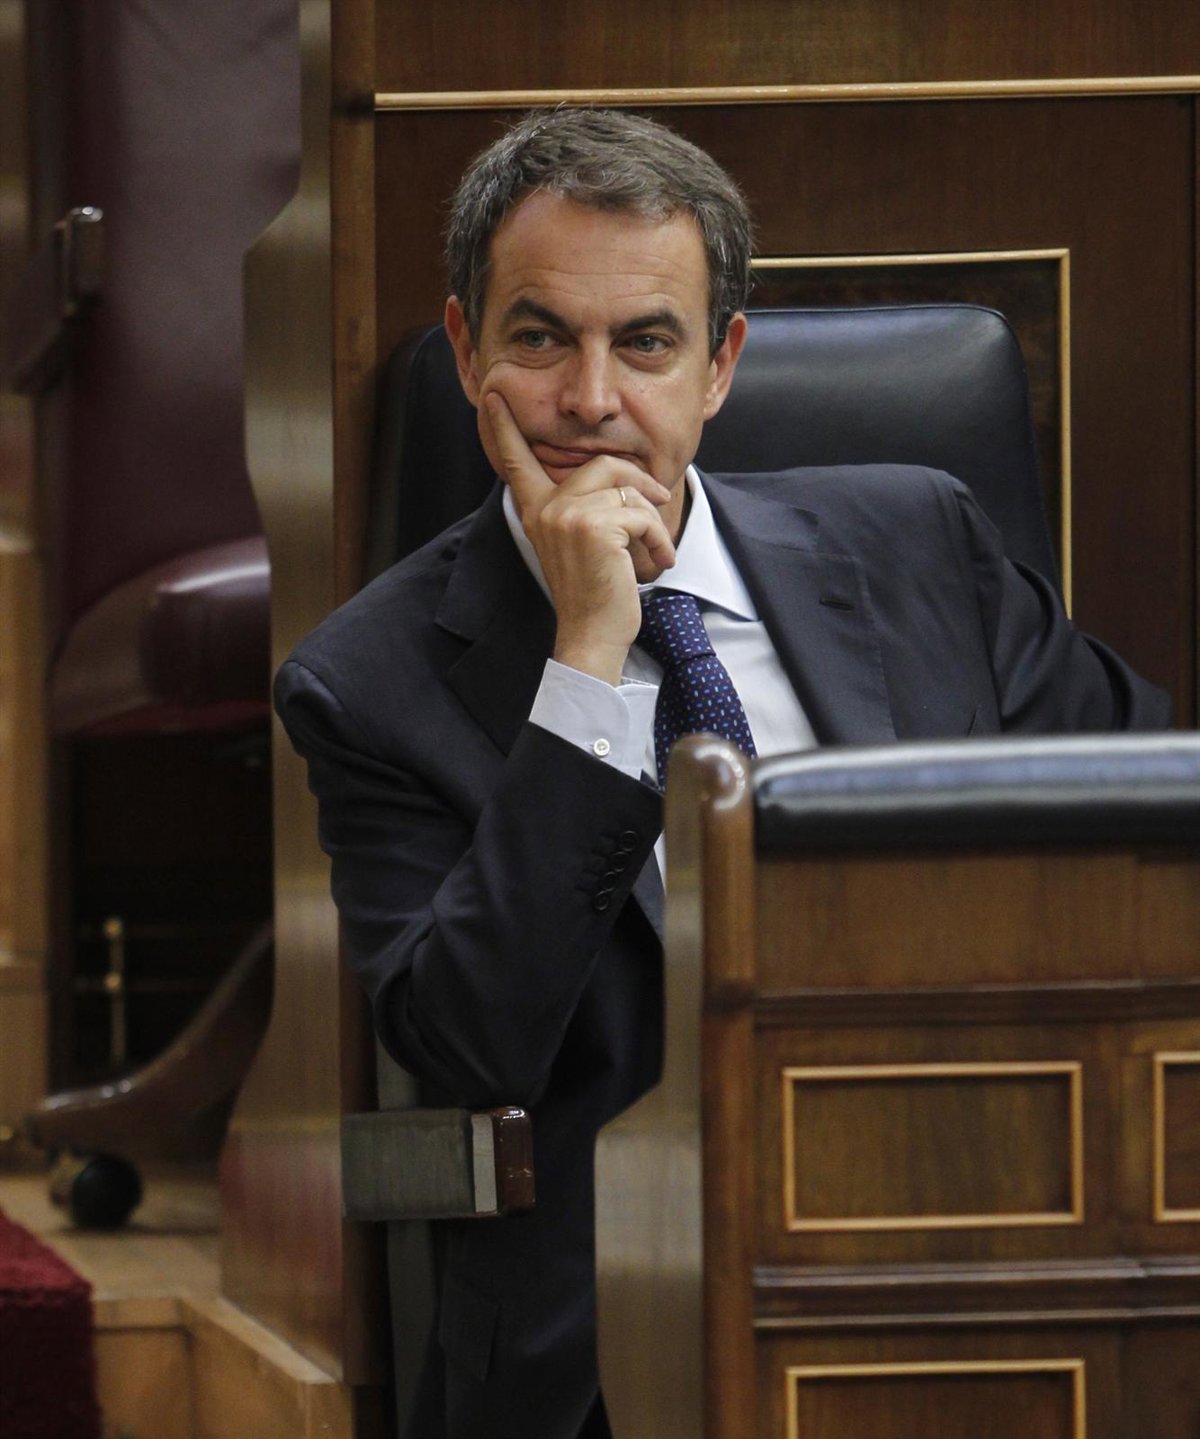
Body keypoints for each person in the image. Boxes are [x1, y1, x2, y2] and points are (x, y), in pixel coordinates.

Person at [275, 108, 1169, 1439]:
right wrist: (588, 655)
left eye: (646, 343)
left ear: (720, 367)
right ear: (465, 353)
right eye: (540, 339)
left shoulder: (922, 541)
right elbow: (471, 1044)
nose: (592, 400)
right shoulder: (372, 681)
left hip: (996, 1216)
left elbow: (1150, 827)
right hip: (628, 1319)